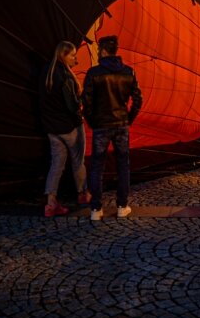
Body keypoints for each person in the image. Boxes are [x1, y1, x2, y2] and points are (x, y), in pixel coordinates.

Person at [83, 36, 142, 221]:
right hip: (121, 125)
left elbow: (86, 101)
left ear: (103, 50)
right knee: (123, 166)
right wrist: (128, 118)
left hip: (101, 126)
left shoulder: (93, 73)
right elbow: (138, 99)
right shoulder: (128, 72)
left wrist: (92, 121)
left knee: (97, 167)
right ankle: (122, 206)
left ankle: (96, 209)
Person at [40, 41, 91, 217]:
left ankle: (51, 202)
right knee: (78, 161)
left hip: (52, 129)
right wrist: (82, 99)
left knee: (56, 165)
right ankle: (83, 194)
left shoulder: (45, 72)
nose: (76, 59)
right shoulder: (66, 77)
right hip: (70, 127)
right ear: (63, 55)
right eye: (73, 55)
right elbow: (72, 107)